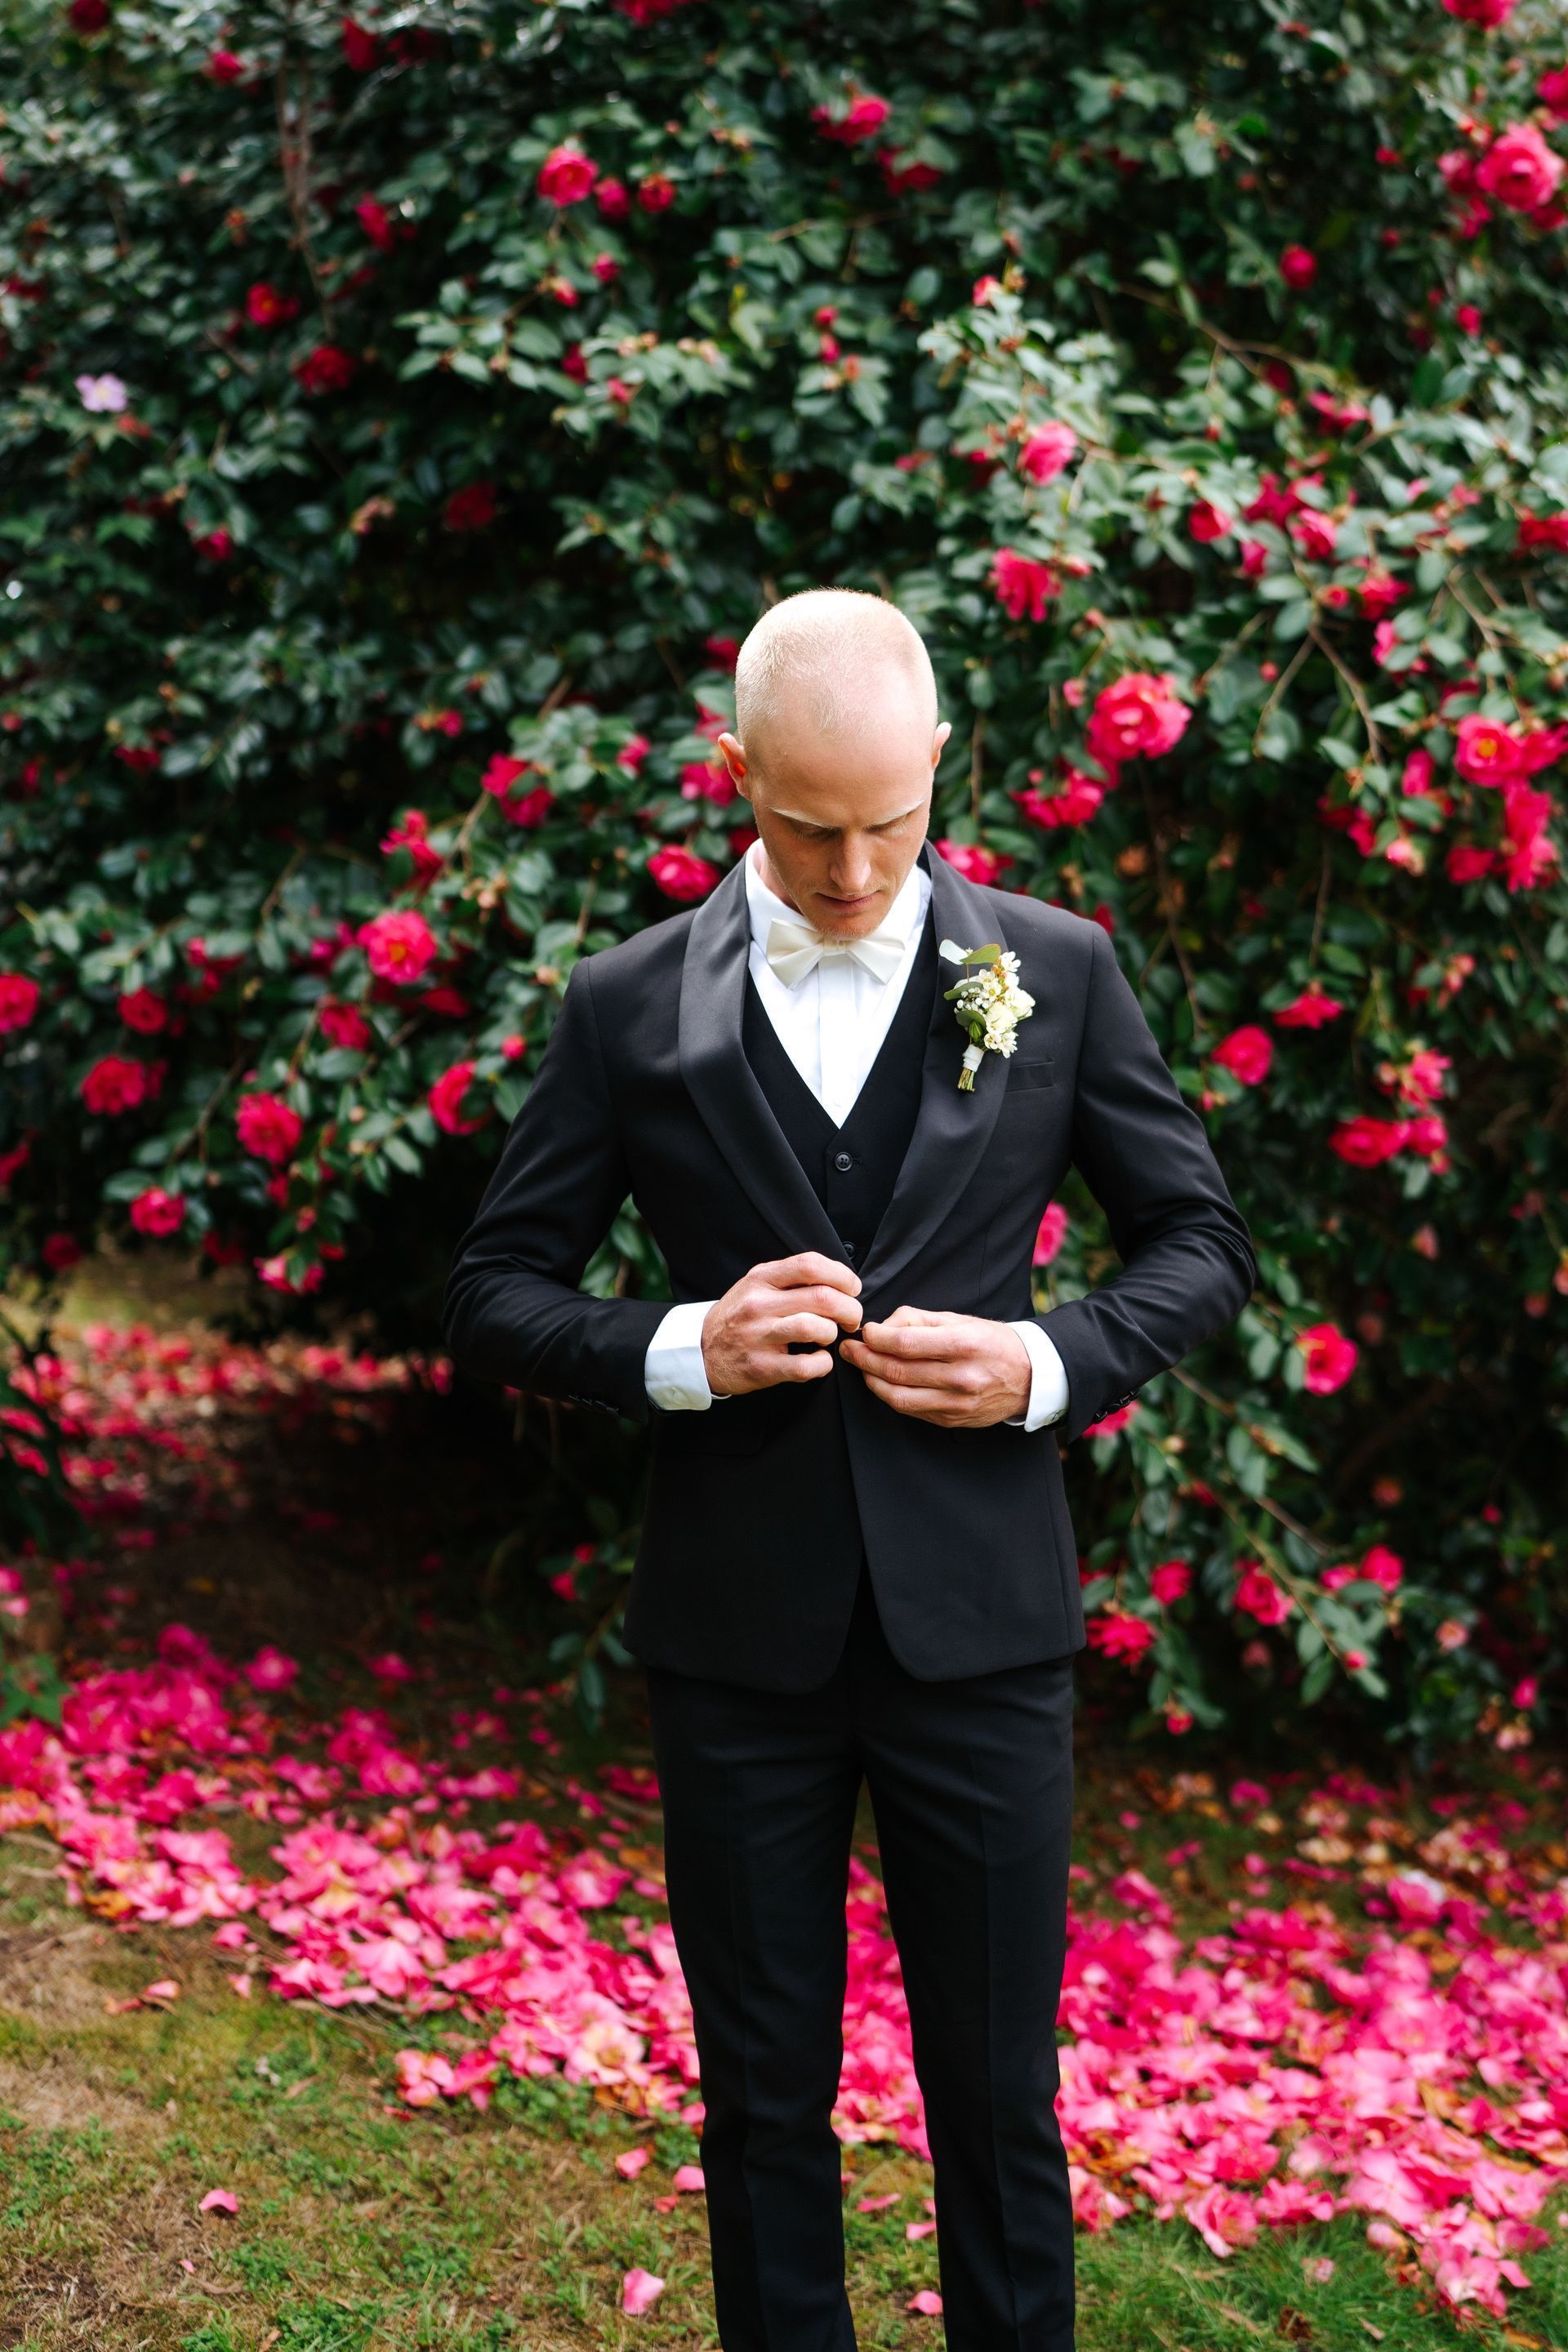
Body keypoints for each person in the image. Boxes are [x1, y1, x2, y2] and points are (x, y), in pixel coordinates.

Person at [443, 588, 1255, 2352]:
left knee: (998, 2106)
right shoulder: (624, 1003)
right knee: (758, 2111)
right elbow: (491, 1292)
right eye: (806, 825)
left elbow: (1199, 1241)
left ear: (942, 766)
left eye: (894, 823)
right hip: (739, 1644)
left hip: (984, 1634)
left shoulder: (1059, 969)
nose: (856, 868)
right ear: (734, 775)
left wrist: (1046, 1361)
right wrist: (682, 1348)